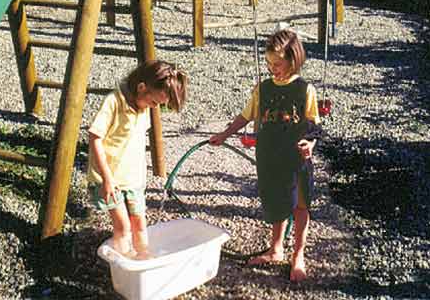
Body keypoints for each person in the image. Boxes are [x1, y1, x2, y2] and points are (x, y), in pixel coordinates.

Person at [211, 23, 321, 281]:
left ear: (294, 60)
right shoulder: (263, 88)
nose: (273, 69)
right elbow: (245, 115)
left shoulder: (305, 89)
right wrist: (225, 133)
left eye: (278, 64)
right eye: (269, 63)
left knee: (300, 205)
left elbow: (313, 125)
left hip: (296, 158)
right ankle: (276, 249)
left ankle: (298, 254)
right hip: (270, 156)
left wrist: (310, 145)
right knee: (277, 202)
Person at [87, 60, 188, 259]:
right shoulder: (114, 102)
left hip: (133, 179)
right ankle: (125, 267)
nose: (155, 107)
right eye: (155, 103)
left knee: (140, 225)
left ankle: (144, 260)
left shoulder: (144, 106)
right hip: (110, 179)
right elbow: (95, 138)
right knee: (123, 227)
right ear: (141, 87)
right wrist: (107, 180)